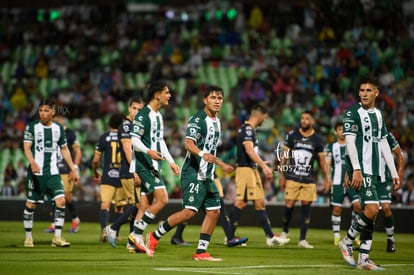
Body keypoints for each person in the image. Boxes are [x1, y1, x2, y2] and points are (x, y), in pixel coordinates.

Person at [144, 85, 234, 261]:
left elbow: (210, 151)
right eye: (213, 98)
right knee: (189, 212)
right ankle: (154, 236)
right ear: (205, 100)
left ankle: (201, 252)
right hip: (192, 172)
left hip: (207, 175)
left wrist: (221, 164)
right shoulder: (198, 120)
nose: (217, 101)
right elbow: (188, 143)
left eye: (220, 98)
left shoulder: (217, 121)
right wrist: (202, 155)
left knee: (214, 212)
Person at [338, 76, 400, 270]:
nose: (364, 94)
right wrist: (355, 169)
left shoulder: (379, 115)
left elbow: (383, 143)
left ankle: (363, 258)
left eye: (368, 90)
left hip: (374, 171)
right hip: (361, 168)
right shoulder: (352, 113)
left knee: (372, 214)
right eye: (362, 90)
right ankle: (347, 241)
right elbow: (349, 143)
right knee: (373, 209)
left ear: (376, 93)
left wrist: (393, 172)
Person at [127, 81, 181, 253]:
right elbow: (133, 139)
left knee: (145, 203)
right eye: (166, 92)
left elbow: (160, 141)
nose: (169, 95)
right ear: (157, 95)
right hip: (145, 164)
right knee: (163, 198)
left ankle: (131, 243)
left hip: (154, 164)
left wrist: (171, 161)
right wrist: (148, 151)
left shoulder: (158, 116)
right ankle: (136, 234)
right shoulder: (143, 115)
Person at [229, 104, 289, 247]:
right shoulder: (248, 129)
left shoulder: (249, 129)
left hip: (251, 169)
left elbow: (251, 152)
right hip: (246, 171)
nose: (265, 120)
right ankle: (229, 236)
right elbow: (249, 150)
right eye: (265, 117)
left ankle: (269, 236)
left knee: (259, 202)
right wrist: (263, 166)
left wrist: (261, 162)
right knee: (241, 203)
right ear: (260, 115)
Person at [23, 98, 79, 247]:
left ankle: (57, 238)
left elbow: (65, 149)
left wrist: (73, 169)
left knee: (61, 201)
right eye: (40, 110)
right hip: (36, 173)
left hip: (53, 173)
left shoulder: (59, 129)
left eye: (46, 110)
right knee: (31, 205)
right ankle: (28, 237)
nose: (42, 113)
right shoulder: (31, 127)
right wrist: (33, 162)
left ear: (53, 112)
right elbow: (27, 147)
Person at [276, 110, 331, 249]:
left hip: (308, 178)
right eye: (302, 118)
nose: (304, 121)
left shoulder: (317, 140)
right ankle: (284, 232)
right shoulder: (292, 135)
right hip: (293, 176)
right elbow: (284, 157)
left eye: (307, 118)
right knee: (289, 204)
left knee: (306, 207)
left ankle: (302, 239)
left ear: (312, 121)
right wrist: (281, 175)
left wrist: (327, 179)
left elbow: (323, 161)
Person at [104, 97, 145, 251]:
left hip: (134, 171)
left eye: (140, 110)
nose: (137, 112)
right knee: (141, 205)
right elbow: (127, 148)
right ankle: (113, 228)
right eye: (134, 108)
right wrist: (134, 170)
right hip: (129, 171)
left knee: (137, 206)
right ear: (129, 108)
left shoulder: (136, 125)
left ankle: (131, 241)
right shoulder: (126, 125)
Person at [325, 122, 362, 246]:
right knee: (337, 209)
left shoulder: (352, 145)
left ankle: (354, 234)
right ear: (335, 132)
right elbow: (327, 164)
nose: (342, 132)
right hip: (337, 182)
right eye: (339, 129)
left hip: (352, 182)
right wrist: (327, 178)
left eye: (343, 129)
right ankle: (336, 236)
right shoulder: (330, 147)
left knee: (358, 206)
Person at [91, 113, 126, 243]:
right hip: (122, 176)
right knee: (119, 207)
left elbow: (95, 160)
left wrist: (95, 172)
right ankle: (115, 234)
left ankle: (104, 232)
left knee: (105, 204)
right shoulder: (126, 137)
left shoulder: (104, 137)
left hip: (108, 176)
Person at [45, 114, 82, 233]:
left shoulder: (70, 133)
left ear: (62, 119)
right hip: (52, 168)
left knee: (67, 197)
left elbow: (77, 151)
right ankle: (53, 223)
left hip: (66, 169)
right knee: (53, 196)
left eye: (57, 119)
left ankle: (75, 219)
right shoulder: (51, 131)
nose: (55, 121)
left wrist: (74, 168)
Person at [378, 132, 405, 252]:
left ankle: (390, 239)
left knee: (385, 208)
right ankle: (365, 241)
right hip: (370, 178)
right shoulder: (364, 133)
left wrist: (399, 173)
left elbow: (400, 154)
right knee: (370, 211)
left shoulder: (387, 136)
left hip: (384, 180)